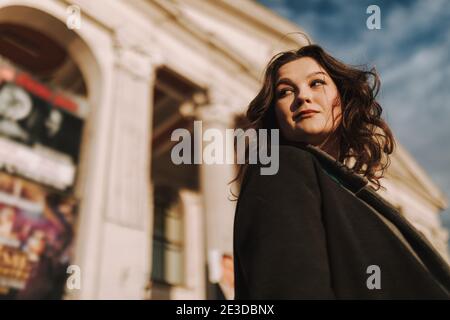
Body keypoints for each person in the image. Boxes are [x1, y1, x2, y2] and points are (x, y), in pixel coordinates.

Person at [233, 44, 450, 299]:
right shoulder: (281, 168)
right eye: (285, 91)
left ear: (344, 99)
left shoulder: (343, 191)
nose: (302, 96)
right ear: (276, 117)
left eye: (316, 83)